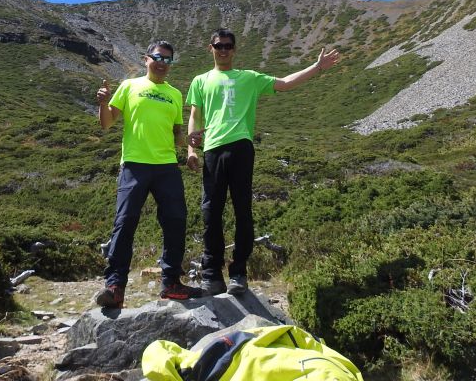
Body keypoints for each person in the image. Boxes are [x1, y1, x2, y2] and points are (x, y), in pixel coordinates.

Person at [186, 28, 340, 296]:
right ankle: (211, 273)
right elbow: (195, 116)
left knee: (243, 210)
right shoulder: (200, 81)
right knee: (211, 211)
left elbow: (285, 83)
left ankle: (239, 273)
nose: (223, 50)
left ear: (234, 50)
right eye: (218, 45)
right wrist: (191, 149)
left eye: (228, 46)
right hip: (212, 150)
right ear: (210, 48)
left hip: (241, 148)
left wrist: (317, 67)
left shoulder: (250, 78)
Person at [93, 40, 203, 309]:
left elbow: (176, 134)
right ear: (146, 59)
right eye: (158, 57)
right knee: (125, 222)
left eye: (168, 59)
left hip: (167, 166)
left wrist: (190, 144)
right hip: (134, 164)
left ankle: (171, 283)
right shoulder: (129, 87)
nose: (163, 63)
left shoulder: (175, 95)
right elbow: (107, 123)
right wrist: (103, 103)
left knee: (175, 222)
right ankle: (115, 286)